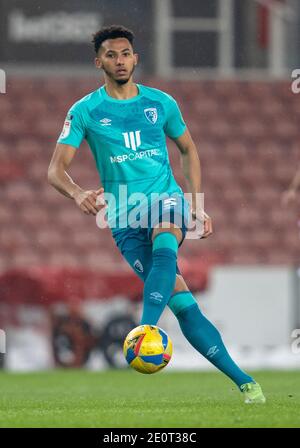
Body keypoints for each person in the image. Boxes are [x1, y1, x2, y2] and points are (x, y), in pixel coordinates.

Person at [48, 25, 265, 403]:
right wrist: (77, 192)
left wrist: (195, 204)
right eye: (112, 55)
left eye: (127, 53)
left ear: (136, 58)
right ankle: (247, 382)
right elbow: (55, 169)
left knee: (165, 234)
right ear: (98, 61)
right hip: (124, 218)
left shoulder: (161, 103)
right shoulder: (85, 111)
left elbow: (188, 149)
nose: (120, 61)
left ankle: (144, 329)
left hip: (165, 199)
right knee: (181, 302)